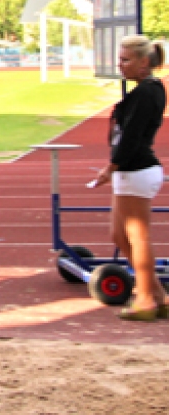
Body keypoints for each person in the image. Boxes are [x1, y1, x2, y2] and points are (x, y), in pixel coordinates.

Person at [92, 35, 168, 321]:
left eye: (125, 60)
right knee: (119, 235)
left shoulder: (147, 92)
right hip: (130, 171)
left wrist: (111, 167)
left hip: (136, 170)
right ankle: (158, 295)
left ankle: (145, 300)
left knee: (137, 237)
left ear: (143, 62)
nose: (120, 65)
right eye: (119, 59)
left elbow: (132, 136)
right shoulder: (144, 91)